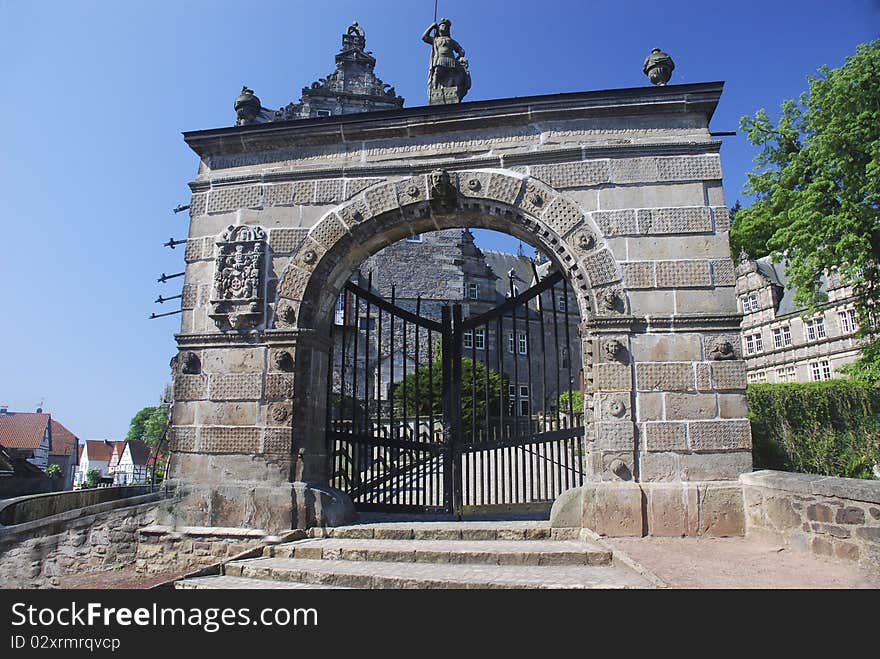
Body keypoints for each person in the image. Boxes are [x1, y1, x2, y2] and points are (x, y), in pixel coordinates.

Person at [422, 18, 466, 91]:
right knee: (437, 74)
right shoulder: (435, 39)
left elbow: (461, 50)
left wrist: (459, 57)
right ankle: (434, 89)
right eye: (442, 26)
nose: (443, 27)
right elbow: (424, 37)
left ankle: (451, 89)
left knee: (452, 75)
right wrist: (432, 26)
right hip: (439, 59)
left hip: (451, 60)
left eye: (445, 26)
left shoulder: (451, 41)